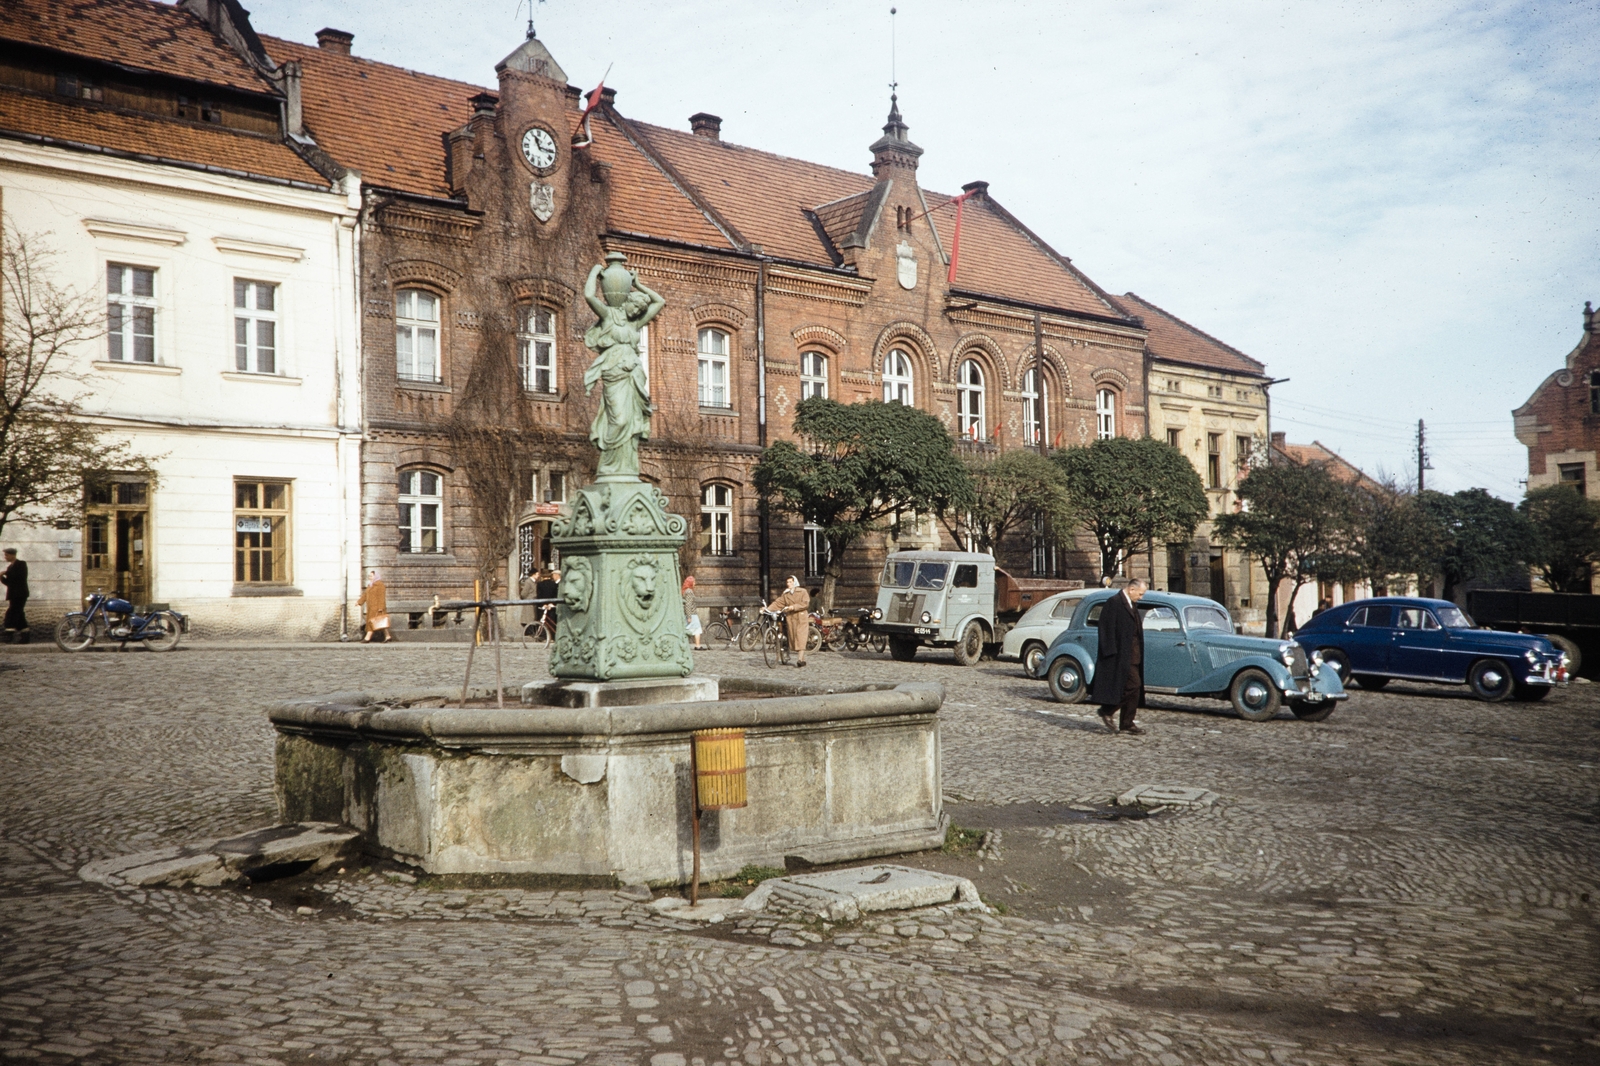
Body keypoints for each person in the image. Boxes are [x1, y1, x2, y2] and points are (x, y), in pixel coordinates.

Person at [1090, 578, 1147, 735]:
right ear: (1131, 590)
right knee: (1134, 685)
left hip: (1133, 654)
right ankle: (1107, 710)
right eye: (1140, 594)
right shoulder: (1114, 602)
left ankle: (1127, 723)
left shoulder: (1131, 604)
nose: (1141, 597)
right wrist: (1110, 653)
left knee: (1135, 689)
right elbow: (1105, 628)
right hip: (1120, 655)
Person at [768, 574, 810, 667]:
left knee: (801, 638)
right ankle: (802, 660)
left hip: (801, 617)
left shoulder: (802, 591)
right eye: (787, 582)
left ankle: (799, 659)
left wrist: (793, 607)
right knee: (794, 638)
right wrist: (768, 609)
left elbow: (805, 604)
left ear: (794, 582)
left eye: (790, 582)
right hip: (791, 618)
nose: (788, 584)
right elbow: (778, 603)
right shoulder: (786, 594)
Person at [356, 569, 392, 643]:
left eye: (371, 576)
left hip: (377, 608)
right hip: (371, 607)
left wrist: (381, 607)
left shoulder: (380, 585)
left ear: (376, 576)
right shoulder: (370, 585)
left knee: (371, 622)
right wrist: (359, 602)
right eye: (369, 576)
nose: (370, 577)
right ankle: (388, 636)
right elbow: (365, 595)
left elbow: (381, 597)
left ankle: (367, 638)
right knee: (380, 622)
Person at [2, 548, 28, 644]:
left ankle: (8, 635)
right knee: (19, 615)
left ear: (13, 555)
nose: (5, 557)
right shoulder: (10, 567)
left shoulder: (21, 564)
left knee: (11, 614)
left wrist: (6, 573)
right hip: (13, 595)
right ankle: (25, 636)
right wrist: (2, 577)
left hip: (20, 594)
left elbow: (19, 576)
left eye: (7, 555)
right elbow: (9, 582)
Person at [682, 574, 702, 649]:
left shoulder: (685, 591)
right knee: (697, 629)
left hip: (689, 614)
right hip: (692, 614)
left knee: (688, 629)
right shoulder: (689, 592)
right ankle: (697, 645)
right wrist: (689, 616)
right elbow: (688, 604)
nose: (695, 583)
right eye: (693, 582)